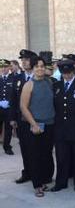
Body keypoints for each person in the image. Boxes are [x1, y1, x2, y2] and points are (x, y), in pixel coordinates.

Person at [18, 55, 55, 197]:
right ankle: (37, 184)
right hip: (35, 125)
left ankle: (46, 179)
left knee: (46, 154)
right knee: (35, 155)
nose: (40, 69)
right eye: (37, 66)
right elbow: (23, 106)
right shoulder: (29, 85)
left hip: (50, 124)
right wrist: (33, 124)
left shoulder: (49, 82)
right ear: (32, 69)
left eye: (42, 66)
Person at [50, 60, 75, 192]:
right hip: (60, 127)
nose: (67, 75)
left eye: (69, 72)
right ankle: (61, 182)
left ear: (73, 71)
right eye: (64, 73)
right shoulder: (56, 86)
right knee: (61, 157)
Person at [13, 50, 37, 184]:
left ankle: (39, 174)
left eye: (26, 60)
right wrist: (12, 119)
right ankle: (27, 172)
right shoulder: (18, 78)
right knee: (25, 148)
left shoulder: (39, 77)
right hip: (21, 120)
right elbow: (13, 101)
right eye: (22, 60)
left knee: (38, 148)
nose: (24, 62)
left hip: (37, 119)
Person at [0, 60, 17, 155]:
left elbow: (15, 94)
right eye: (1, 67)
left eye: (5, 67)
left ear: (9, 68)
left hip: (9, 108)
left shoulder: (13, 78)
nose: (3, 69)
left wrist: (9, 102)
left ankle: (7, 147)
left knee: (8, 129)